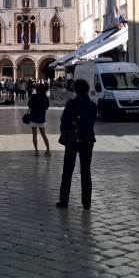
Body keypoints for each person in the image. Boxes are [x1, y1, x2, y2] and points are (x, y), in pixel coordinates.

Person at [57, 78, 97, 209]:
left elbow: (64, 120)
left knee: (67, 170)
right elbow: (91, 123)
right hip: (87, 140)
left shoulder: (71, 104)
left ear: (75, 90)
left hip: (72, 140)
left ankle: (64, 201)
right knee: (86, 171)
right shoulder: (92, 106)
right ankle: (86, 202)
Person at [27, 83, 51, 156]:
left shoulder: (33, 96)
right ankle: (48, 150)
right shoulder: (45, 97)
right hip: (41, 118)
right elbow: (47, 107)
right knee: (44, 135)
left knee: (34, 135)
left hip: (33, 117)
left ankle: (36, 151)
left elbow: (29, 104)